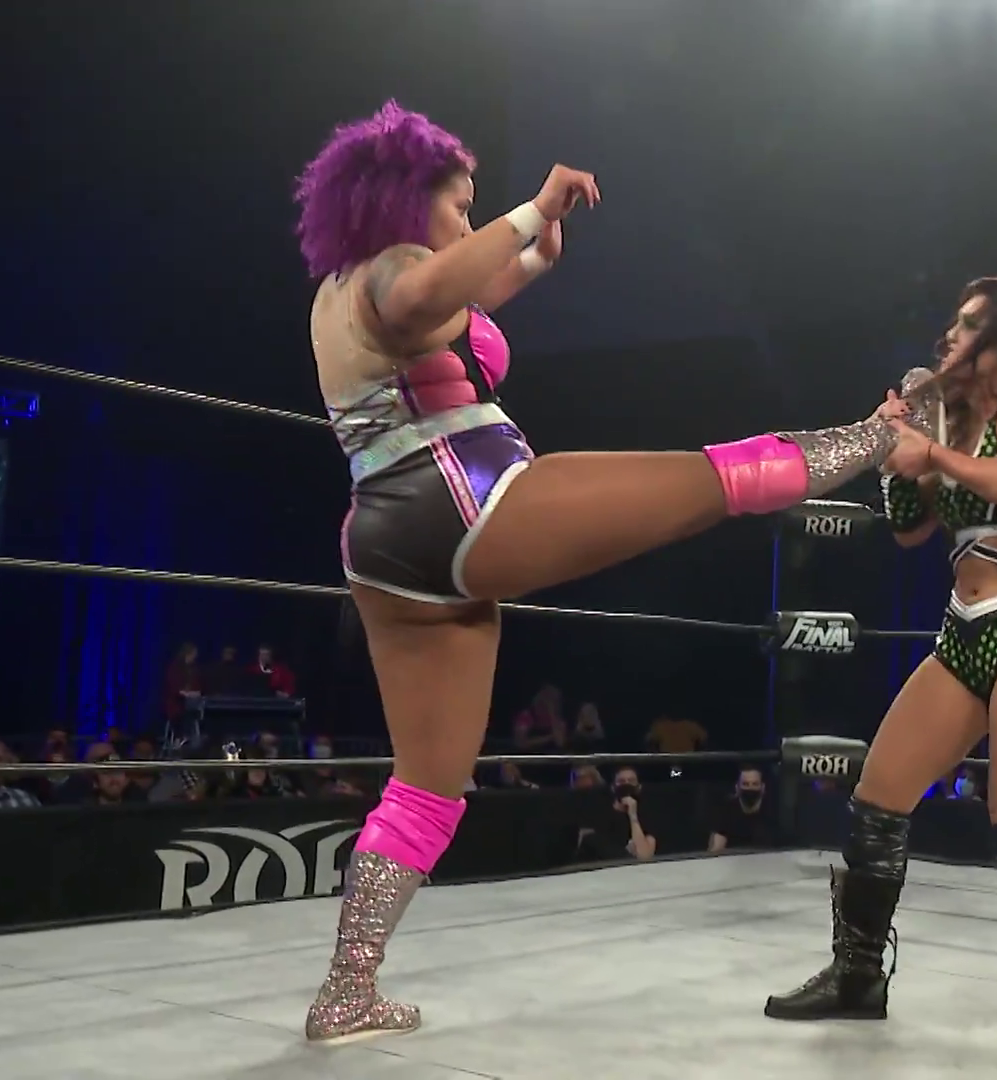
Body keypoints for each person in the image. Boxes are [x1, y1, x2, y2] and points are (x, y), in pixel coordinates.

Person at [294, 101, 927, 1043]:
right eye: (459, 204)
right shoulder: (395, 270)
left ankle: (348, 989)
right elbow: (424, 297)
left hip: (386, 545)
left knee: (428, 783)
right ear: (403, 198)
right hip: (462, 500)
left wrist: (532, 258)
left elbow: (451, 306)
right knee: (709, 482)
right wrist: (528, 209)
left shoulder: (340, 289)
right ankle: (881, 436)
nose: (467, 222)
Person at [764, 278, 997, 1071]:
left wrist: (932, 453)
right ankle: (858, 976)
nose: (948, 336)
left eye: (967, 325)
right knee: (876, 803)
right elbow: (909, 531)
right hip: (962, 632)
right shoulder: (954, 420)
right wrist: (897, 451)